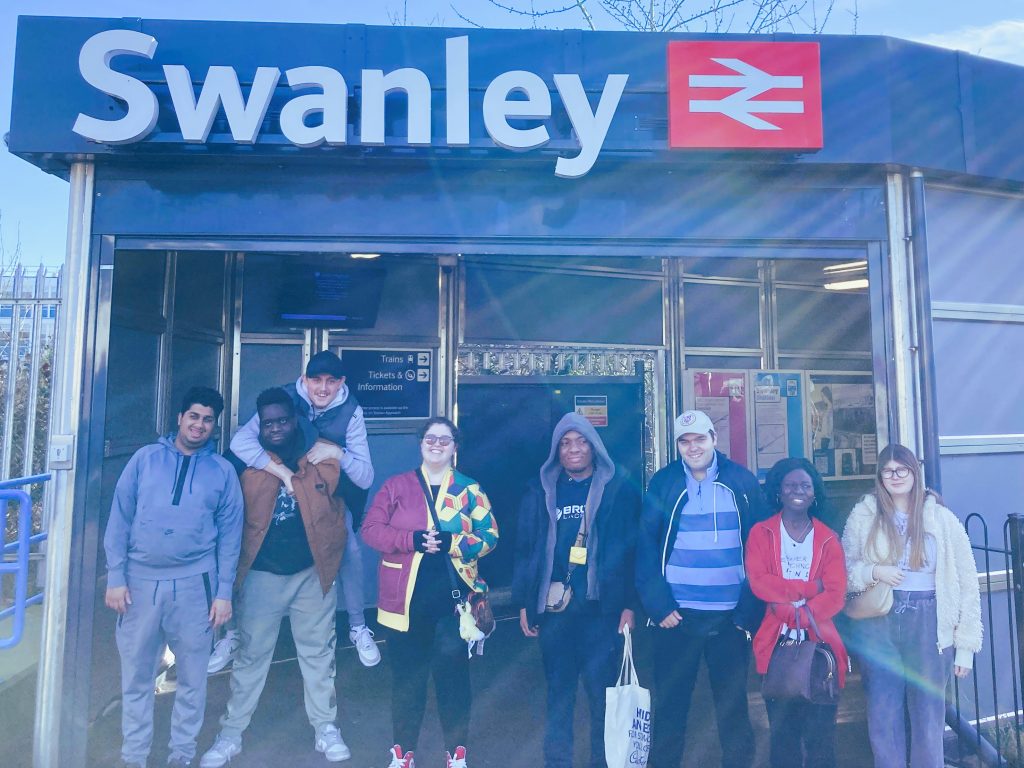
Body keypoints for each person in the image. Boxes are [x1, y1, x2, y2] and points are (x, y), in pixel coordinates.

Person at [200, 387, 351, 766]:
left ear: (295, 418)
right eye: (269, 423)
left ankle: (325, 727)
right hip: (262, 576)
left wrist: (335, 549)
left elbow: (353, 500)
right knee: (252, 656)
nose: (277, 428)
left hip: (311, 575)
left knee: (319, 655)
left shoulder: (320, 456)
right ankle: (231, 732)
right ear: (260, 426)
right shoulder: (244, 460)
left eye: (283, 420)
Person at [103, 386, 243, 768]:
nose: (199, 425)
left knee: (193, 680)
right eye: (193, 416)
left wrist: (224, 592)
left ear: (215, 426)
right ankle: (134, 757)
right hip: (138, 585)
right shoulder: (144, 460)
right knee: (136, 677)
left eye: (208, 420)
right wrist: (116, 577)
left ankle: (181, 756)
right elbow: (119, 519)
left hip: (197, 586)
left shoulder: (223, 472)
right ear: (180, 418)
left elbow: (231, 536)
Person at [223, 350, 379, 671]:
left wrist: (337, 451)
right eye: (316, 380)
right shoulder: (285, 397)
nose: (322, 388)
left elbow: (364, 476)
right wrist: (281, 472)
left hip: (321, 489)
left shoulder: (351, 411)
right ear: (304, 379)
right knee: (240, 540)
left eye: (331, 381)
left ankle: (358, 625)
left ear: (341, 383)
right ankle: (231, 631)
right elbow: (241, 443)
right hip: (277, 484)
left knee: (348, 545)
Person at [361, 417, 498, 768]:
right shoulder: (396, 486)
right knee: (407, 683)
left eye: (445, 439)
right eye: (430, 438)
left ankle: (456, 754)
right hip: (403, 605)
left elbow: (490, 536)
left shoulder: (470, 489)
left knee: (453, 682)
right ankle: (403, 754)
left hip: (454, 605)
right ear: (420, 443)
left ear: (455, 446)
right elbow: (371, 530)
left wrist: (454, 542)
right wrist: (411, 540)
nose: (436, 444)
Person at [635, 409, 769, 768]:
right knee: (670, 708)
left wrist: (747, 613)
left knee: (733, 710)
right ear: (677, 444)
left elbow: (761, 547)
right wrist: (658, 606)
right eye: (684, 440)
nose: (692, 447)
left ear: (713, 438)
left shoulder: (741, 481)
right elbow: (646, 545)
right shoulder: (664, 483)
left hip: (729, 620)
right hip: (676, 619)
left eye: (699, 439)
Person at [512, 412, 640, 768]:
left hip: (602, 611)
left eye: (582, 441)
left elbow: (631, 549)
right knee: (558, 696)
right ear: (556, 450)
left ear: (594, 446)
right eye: (566, 443)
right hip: (555, 613)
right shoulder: (540, 490)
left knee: (601, 698)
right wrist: (524, 601)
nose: (574, 449)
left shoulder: (618, 488)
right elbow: (526, 548)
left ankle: (602, 762)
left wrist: (630, 604)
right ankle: (558, 762)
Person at [842, 443, 982, 768]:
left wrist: (965, 647)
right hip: (879, 619)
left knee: (929, 714)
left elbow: (966, 581)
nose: (895, 476)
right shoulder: (864, 515)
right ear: (880, 475)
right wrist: (874, 571)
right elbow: (844, 570)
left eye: (902, 469)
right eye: (888, 470)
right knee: (882, 709)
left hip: (931, 620)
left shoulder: (941, 518)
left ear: (914, 473)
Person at [745, 458, 848, 768]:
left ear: (814, 493)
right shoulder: (760, 533)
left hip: (821, 649)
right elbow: (759, 582)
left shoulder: (829, 538)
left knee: (820, 741)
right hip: (775, 647)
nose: (797, 491)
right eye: (790, 485)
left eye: (805, 485)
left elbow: (836, 591)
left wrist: (797, 610)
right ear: (778, 491)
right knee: (783, 739)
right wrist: (808, 588)